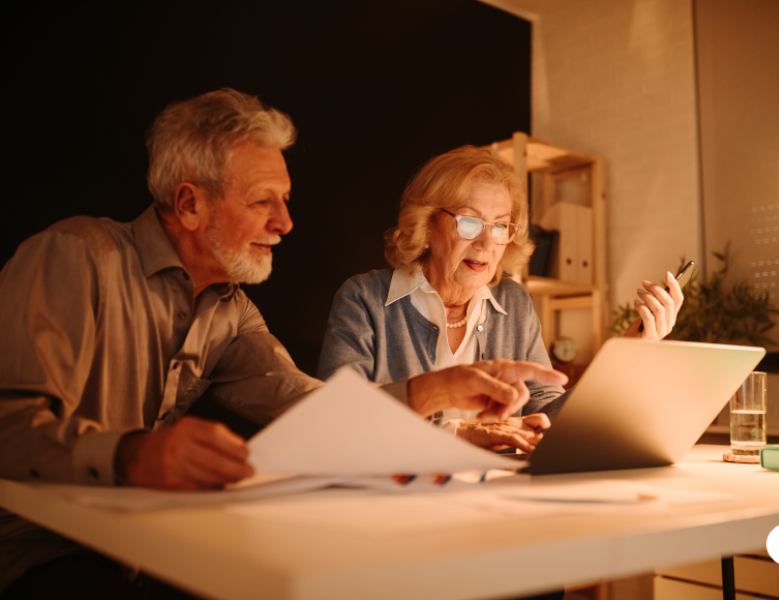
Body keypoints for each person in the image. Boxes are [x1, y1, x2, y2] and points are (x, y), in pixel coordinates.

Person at [0, 90, 566, 599]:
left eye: (286, 199)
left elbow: (313, 409)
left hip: (138, 553)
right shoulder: (75, 254)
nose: (285, 223)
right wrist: (134, 454)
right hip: (33, 551)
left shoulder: (231, 311)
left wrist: (433, 390)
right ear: (190, 204)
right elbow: (9, 428)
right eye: (262, 201)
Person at [318, 146, 684, 452]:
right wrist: (459, 433)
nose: (486, 243)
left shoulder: (514, 304)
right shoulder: (364, 299)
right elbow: (337, 418)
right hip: (395, 497)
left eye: (499, 226)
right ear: (427, 223)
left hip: (493, 497)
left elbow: (547, 418)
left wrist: (627, 354)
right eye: (469, 222)